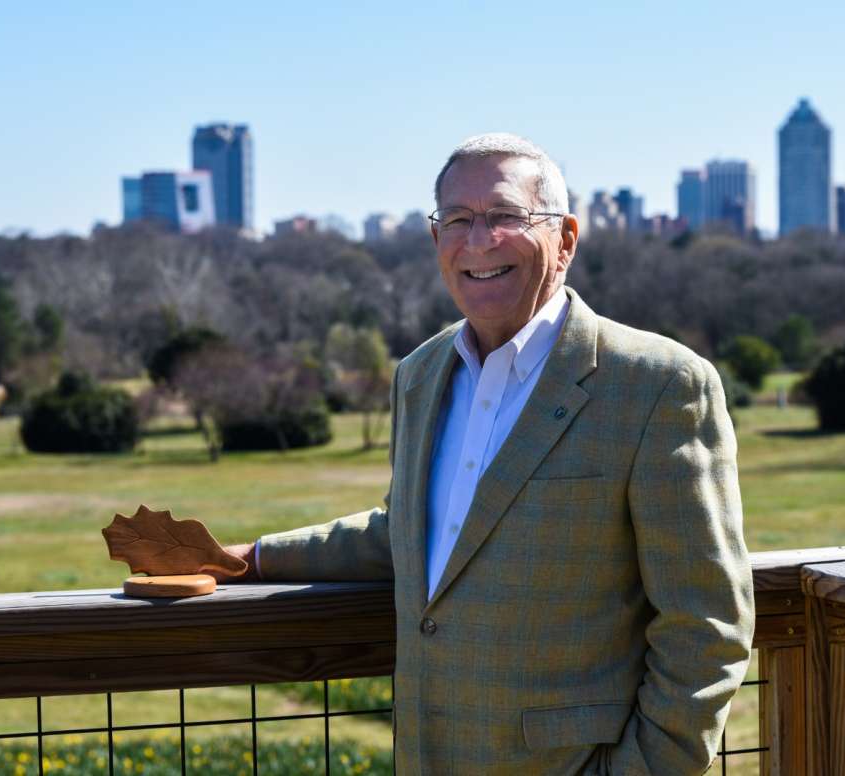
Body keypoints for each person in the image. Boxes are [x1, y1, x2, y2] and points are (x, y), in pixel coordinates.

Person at [220, 133, 753, 775]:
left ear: (566, 240)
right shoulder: (419, 376)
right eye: (458, 220)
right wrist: (250, 560)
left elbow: (706, 626)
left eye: (506, 217)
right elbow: (414, 534)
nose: (479, 242)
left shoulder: (656, 384)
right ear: (435, 238)